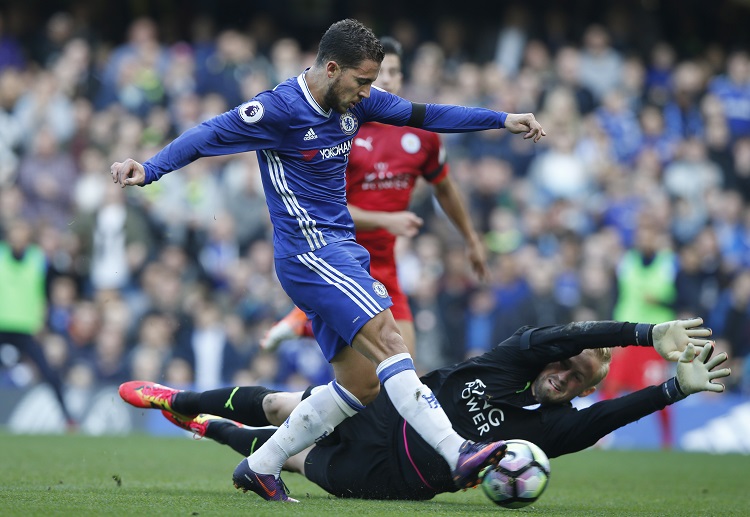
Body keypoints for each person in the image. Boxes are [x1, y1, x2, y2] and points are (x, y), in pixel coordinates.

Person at [112, 19, 546, 502]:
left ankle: (261, 465)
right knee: (390, 339)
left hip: (341, 251)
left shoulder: (356, 101)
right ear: (332, 68)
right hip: (309, 252)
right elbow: (206, 134)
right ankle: (457, 451)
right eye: (362, 81)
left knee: (361, 385)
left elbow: (425, 113)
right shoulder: (278, 109)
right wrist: (149, 168)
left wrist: (502, 119)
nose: (369, 92)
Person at [119, 317, 729, 501]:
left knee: (293, 459)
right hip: (383, 411)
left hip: (391, 478)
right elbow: (561, 337)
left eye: (576, 380)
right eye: (565, 363)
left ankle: (215, 428)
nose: (562, 375)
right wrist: (644, 335)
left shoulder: (558, 429)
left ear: (580, 392)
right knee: (282, 405)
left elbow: (613, 416)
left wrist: (674, 389)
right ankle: (178, 399)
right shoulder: (513, 359)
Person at [261, 36, 488, 357]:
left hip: (386, 264)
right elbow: (324, 210)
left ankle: (303, 323)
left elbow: (445, 187)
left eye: (394, 72)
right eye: (381, 74)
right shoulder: (341, 128)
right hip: (342, 260)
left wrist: (471, 238)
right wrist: (386, 220)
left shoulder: (421, 137)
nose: (388, 80)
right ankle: (305, 321)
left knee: (401, 367)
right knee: (374, 374)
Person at [0, 219, 76, 429]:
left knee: (49, 373)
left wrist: (42, 320)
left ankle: (68, 418)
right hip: (2, 323)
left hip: (27, 327)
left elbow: (44, 293)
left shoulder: (38, 259)